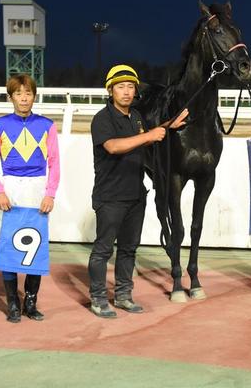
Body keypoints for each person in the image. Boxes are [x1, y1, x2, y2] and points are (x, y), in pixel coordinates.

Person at [88, 65, 188, 318]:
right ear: (110, 91)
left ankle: (123, 295)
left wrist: (168, 126)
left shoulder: (136, 117)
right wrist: (149, 136)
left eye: (131, 86)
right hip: (110, 197)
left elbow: (148, 134)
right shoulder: (102, 118)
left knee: (129, 249)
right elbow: (113, 146)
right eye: (121, 87)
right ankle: (98, 298)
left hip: (136, 195)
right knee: (103, 250)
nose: (126, 91)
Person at [0, 73, 60, 323]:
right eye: (18, 93)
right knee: (9, 244)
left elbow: (55, 162)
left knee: (36, 244)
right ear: (11, 97)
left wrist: (50, 193)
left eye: (28, 93)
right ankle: (13, 303)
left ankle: (31, 302)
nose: (24, 98)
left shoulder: (47, 125)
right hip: (10, 188)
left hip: (38, 188)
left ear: (34, 96)